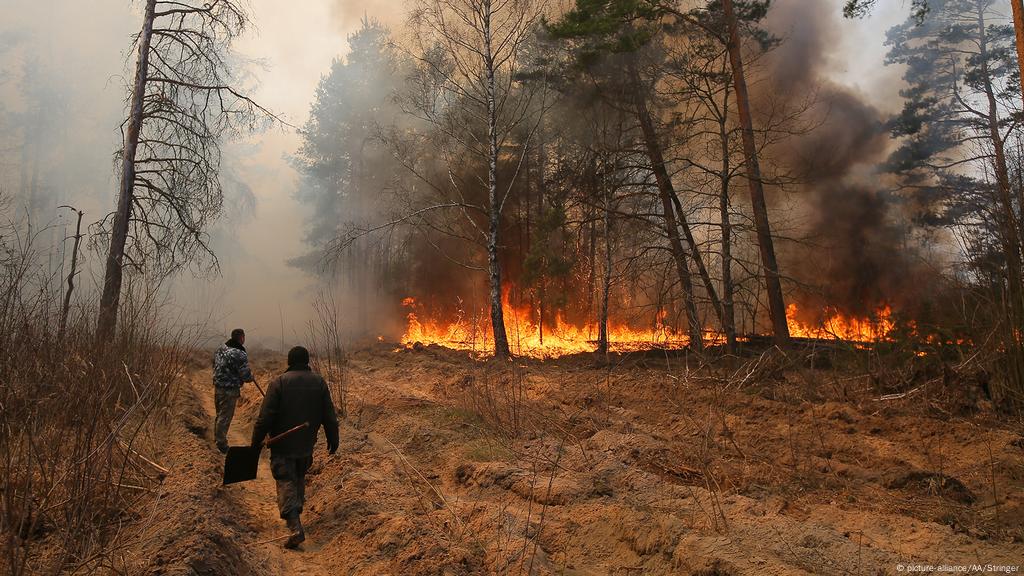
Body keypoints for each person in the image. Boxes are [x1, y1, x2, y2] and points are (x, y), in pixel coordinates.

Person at [251, 345, 339, 549]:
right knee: (299, 476)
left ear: (289, 362)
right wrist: (333, 438)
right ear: (307, 361)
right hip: (307, 444)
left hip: (282, 444)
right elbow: (329, 415)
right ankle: (296, 509)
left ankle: (295, 526)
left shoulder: (278, 383)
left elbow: (265, 418)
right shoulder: (319, 382)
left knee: (285, 480)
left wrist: (255, 442)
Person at [213, 328, 255, 453]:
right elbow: (246, 376)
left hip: (218, 386)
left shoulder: (220, 349)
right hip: (230, 389)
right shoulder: (239, 353)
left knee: (220, 414)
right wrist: (251, 377)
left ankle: (216, 438)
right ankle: (221, 444)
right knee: (225, 417)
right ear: (242, 338)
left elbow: (214, 365)